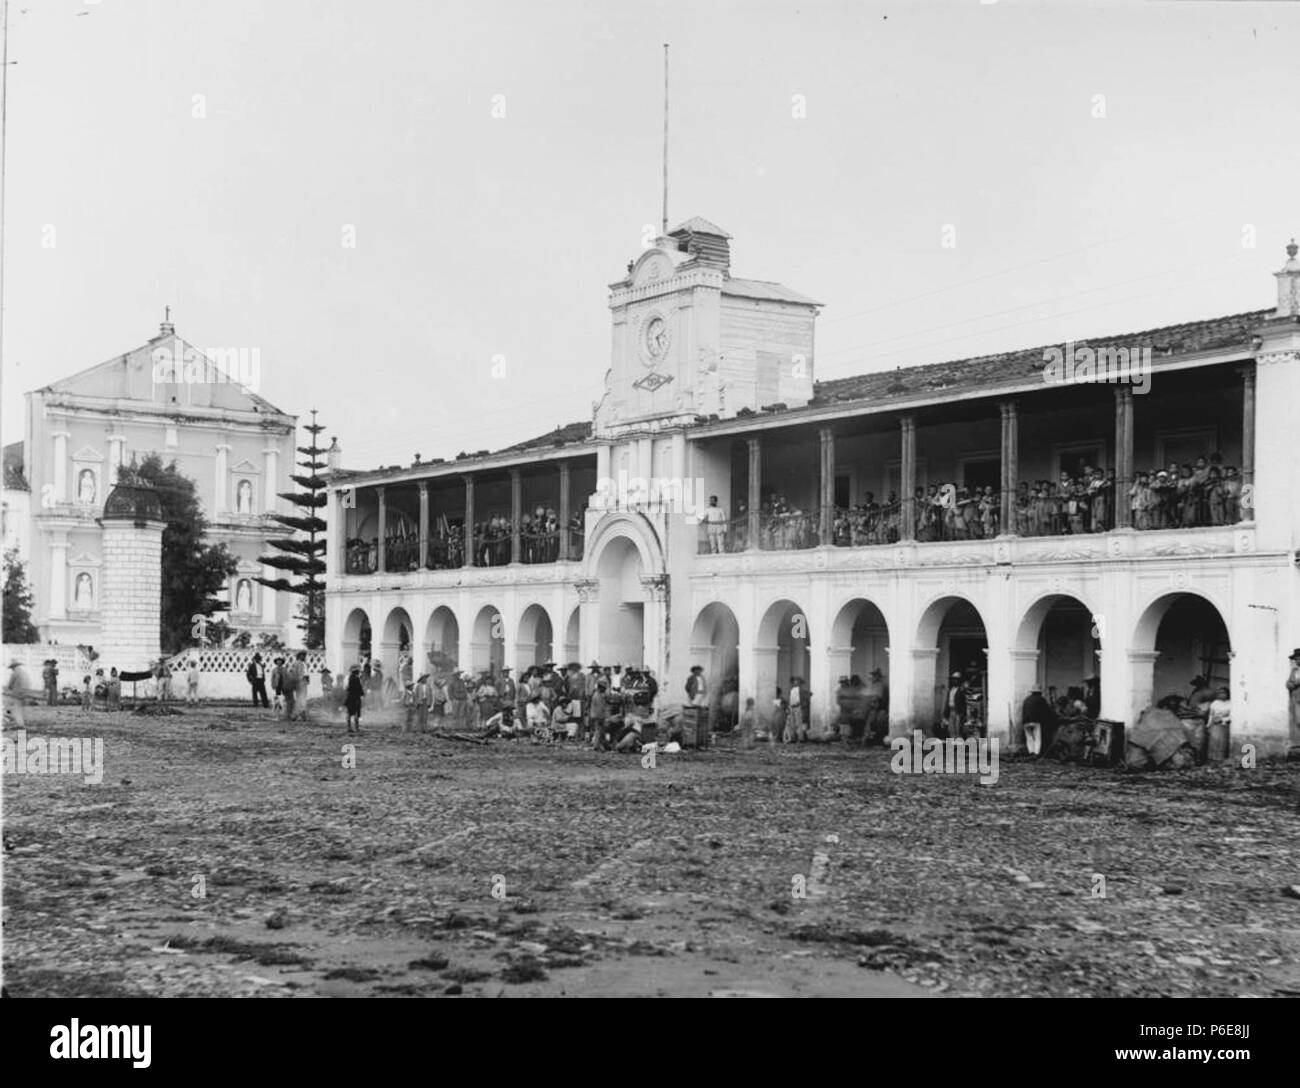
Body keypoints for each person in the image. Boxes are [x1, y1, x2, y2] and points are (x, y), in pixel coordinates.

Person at [1021, 684, 1056, 756]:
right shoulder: (1041, 699)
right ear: (1039, 692)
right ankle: (1036, 753)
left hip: (1025, 721)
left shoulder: (1026, 699)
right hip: (1035, 721)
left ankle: (1030, 752)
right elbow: (1046, 711)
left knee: (1029, 738)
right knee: (1037, 737)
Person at [5, 660, 31, 726]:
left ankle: (20, 726)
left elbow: (10, 685)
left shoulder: (15, 673)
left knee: (17, 710)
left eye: (12, 668)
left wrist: (10, 688)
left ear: (13, 667)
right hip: (25, 693)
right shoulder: (25, 672)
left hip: (17, 694)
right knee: (20, 709)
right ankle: (14, 719)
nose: (12, 669)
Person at [589, 680, 609, 751]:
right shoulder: (598, 696)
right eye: (604, 688)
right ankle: (596, 745)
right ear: (600, 687)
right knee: (598, 731)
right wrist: (603, 717)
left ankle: (603, 745)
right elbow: (600, 708)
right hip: (598, 716)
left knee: (601, 731)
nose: (605, 689)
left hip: (595, 715)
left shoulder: (597, 694)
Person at [344, 665, 365, 734]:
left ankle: (349, 727)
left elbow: (347, 688)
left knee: (349, 713)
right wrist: (362, 694)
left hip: (350, 697)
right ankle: (356, 727)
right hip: (356, 697)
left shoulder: (349, 678)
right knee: (356, 712)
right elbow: (359, 688)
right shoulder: (357, 679)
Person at [1287, 649, 1300, 753]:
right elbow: (1288, 684)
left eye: (1299, 658)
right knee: (1298, 721)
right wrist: (1294, 683)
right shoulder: (1294, 671)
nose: (1298, 661)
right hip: (1296, 700)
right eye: (1296, 659)